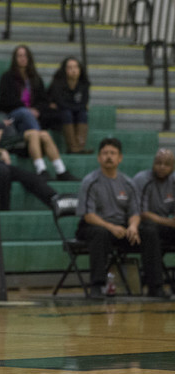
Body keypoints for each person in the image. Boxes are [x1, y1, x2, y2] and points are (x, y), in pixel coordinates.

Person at [76, 138, 165, 298]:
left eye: (113, 153)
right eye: (105, 153)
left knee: (150, 231)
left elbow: (135, 213)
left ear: (120, 158)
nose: (108, 157)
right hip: (95, 226)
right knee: (99, 233)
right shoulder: (90, 181)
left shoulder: (128, 183)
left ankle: (155, 286)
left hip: (121, 228)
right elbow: (89, 216)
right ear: (99, 157)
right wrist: (110, 227)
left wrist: (132, 227)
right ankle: (97, 286)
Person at [0, 45, 77, 181]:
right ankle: (41, 167)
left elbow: (43, 100)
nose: (23, 58)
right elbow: (5, 101)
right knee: (25, 113)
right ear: (14, 58)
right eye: (19, 55)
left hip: (29, 122)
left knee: (43, 134)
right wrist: (27, 109)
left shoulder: (35, 78)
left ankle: (60, 170)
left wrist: (37, 110)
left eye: (25, 55)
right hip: (12, 117)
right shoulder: (7, 77)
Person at [0, 82, 78, 181]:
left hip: (13, 139)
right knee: (33, 133)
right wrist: (0, 127)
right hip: (2, 143)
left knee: (44, 134)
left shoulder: (0, 114)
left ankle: (61, 170)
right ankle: (41, 170)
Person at [133, 148, 175, 296]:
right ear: (153, 163)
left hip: (163, 225)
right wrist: (168, 222)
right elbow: (141, 213)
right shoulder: (142, 179)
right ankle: (155, 286)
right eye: (158, 163)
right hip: (141, 225)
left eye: (167, 164)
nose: (162, 167)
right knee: (150, 231)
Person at [48, 56, 92, 154]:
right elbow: (61, 103)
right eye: (70, 67)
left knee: (83, 114)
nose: (73, 70)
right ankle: (73, 148)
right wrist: (75, 107)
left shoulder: (84, 84)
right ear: (65, 70)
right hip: (58, 113)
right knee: (67, 113)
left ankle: (80, 147)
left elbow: (84, 102)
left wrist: (76, 108)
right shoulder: (57, 84)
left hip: (76, 111)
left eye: (76, 67)